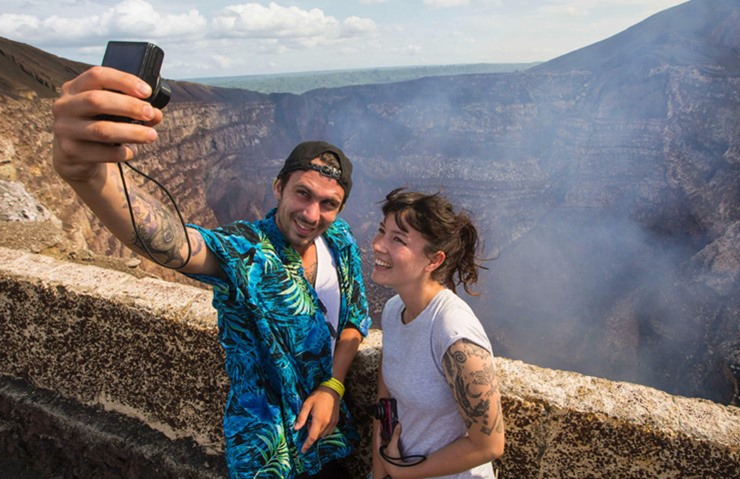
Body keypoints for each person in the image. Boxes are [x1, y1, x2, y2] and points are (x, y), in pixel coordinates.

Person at [51, 66, 371, 479]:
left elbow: (354, 320)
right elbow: (175, 245)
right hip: (268, 451)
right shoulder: (247, 251)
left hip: (328, 435)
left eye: (328, 204)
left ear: (341, 210)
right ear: (278, 188)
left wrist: (333, 386)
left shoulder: (340, 241)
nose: (312, 214)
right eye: (302, 194)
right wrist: (89, 176)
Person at [370, 188, 505, 479]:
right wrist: (380, 473)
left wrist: (404, 471)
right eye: (382, 232)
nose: (378, 245)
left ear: (434, 261)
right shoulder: (395, 310)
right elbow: (385, 401)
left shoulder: (453, 333)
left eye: (398, 239)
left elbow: (490, 445)